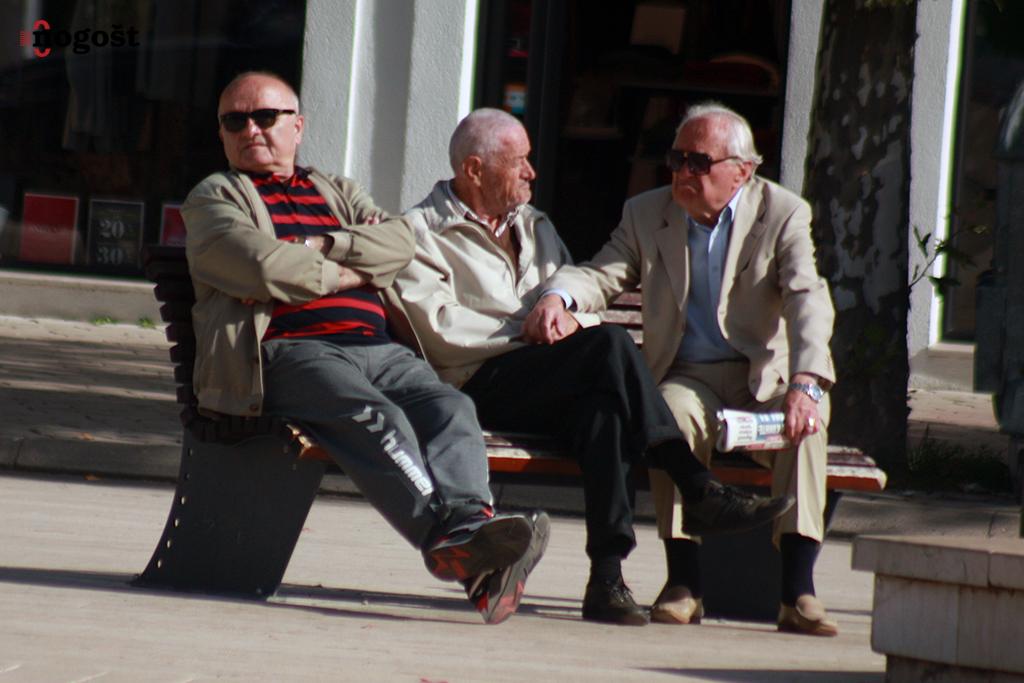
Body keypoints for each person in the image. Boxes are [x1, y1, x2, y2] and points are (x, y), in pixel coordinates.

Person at [386, 108, 793, 626]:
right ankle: (695, 483)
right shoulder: (419, 232)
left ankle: (606, 578)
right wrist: (529, 327)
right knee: (610, 347)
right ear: (474, 170)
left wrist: (563, 317)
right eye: (519, 162)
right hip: (478, 383)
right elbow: (439, 331)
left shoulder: (534, 224)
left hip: (550, 376)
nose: (532, 171)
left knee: (606, 410)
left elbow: (577, 298)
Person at [181, 72, 548, 625]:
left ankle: (470, 531)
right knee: (377, 417)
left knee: (451, 407)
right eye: (235, 120)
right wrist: (352, 269)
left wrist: (318, 245)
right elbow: (261, 266)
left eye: (265, 117)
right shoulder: (214, 198)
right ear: (222, 133)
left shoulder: (337, 190)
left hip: (377, 348)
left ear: (297, 126)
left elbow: (399, 243)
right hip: (290, 352)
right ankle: (452, 540)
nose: (250, 129)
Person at [527, 102, 839, 636]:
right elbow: (601, 275)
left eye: (698, 162)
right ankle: (683, 583)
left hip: (763, 378)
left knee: (808, 424)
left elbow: (807, 297)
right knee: (668, 413)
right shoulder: (646, 213)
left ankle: (797, 591)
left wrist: (807, 383)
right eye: (676, 159)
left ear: (742, 170)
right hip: (688, 376)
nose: (682, 173)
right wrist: (559, 297)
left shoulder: (783, 212)